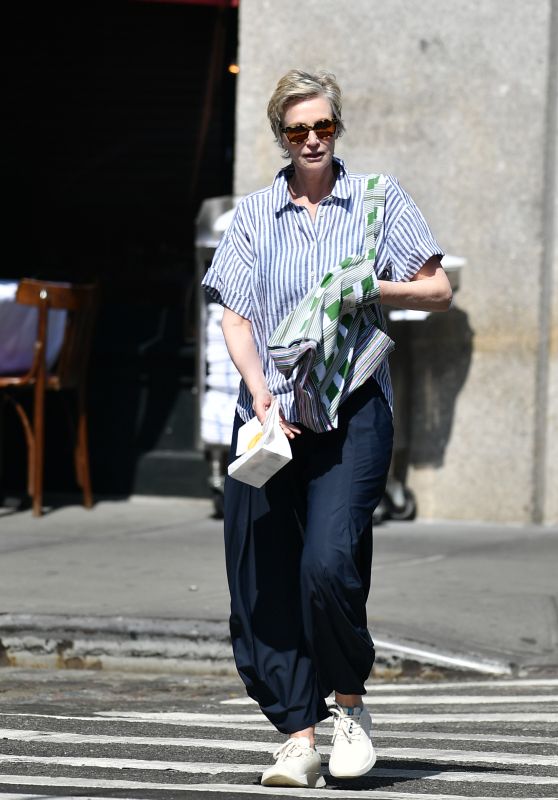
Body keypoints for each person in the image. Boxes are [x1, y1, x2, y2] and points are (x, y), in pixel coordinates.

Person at [202, 69, 452, 789]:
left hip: (352, 412)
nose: (313, 140)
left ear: (337, 127)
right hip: (273, 416)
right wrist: (260, 395)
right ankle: (297, 733)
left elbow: (436, 290)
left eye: (324, 127)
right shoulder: (253, 216)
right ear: (279, 137)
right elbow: (237, 315)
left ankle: (348, 705)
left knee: (327, 564)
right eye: (297, 131)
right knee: (261, 577)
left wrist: (375, 285)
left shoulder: (377, 201)